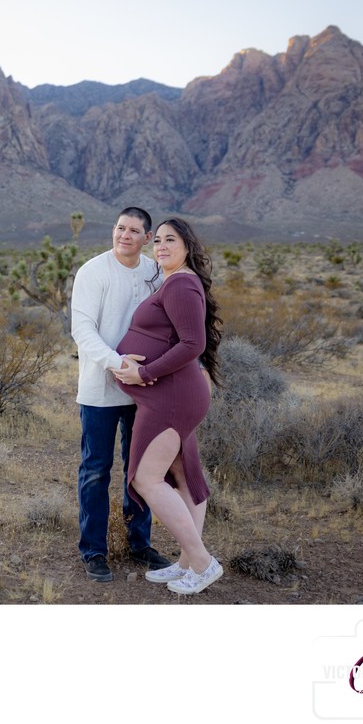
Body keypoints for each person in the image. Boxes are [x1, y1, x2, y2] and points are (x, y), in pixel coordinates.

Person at [111, 217, 223, 595]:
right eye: (156, 240)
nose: (160, 246)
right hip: (173, 392)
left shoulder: (181, 283)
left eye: (169, 240)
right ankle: (188, 562)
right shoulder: (175, 281)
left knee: (146, 478)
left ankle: (203, 562)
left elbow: (192, 344)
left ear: (187, 245)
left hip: (171, 395)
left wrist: (145, 373)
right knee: (181, 475)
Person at [70, 207, 171, 582]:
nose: (123, 235)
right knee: (96, 469)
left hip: (145, 388)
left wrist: (149, 370)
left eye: (133, 231)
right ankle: (94, 550)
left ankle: (139, 544)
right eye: (119, 228)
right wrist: (118, 363)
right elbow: (82, 330)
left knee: (140, 470)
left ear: (147, 238)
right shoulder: (93, 272)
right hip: (100, 389)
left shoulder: (154, 273)